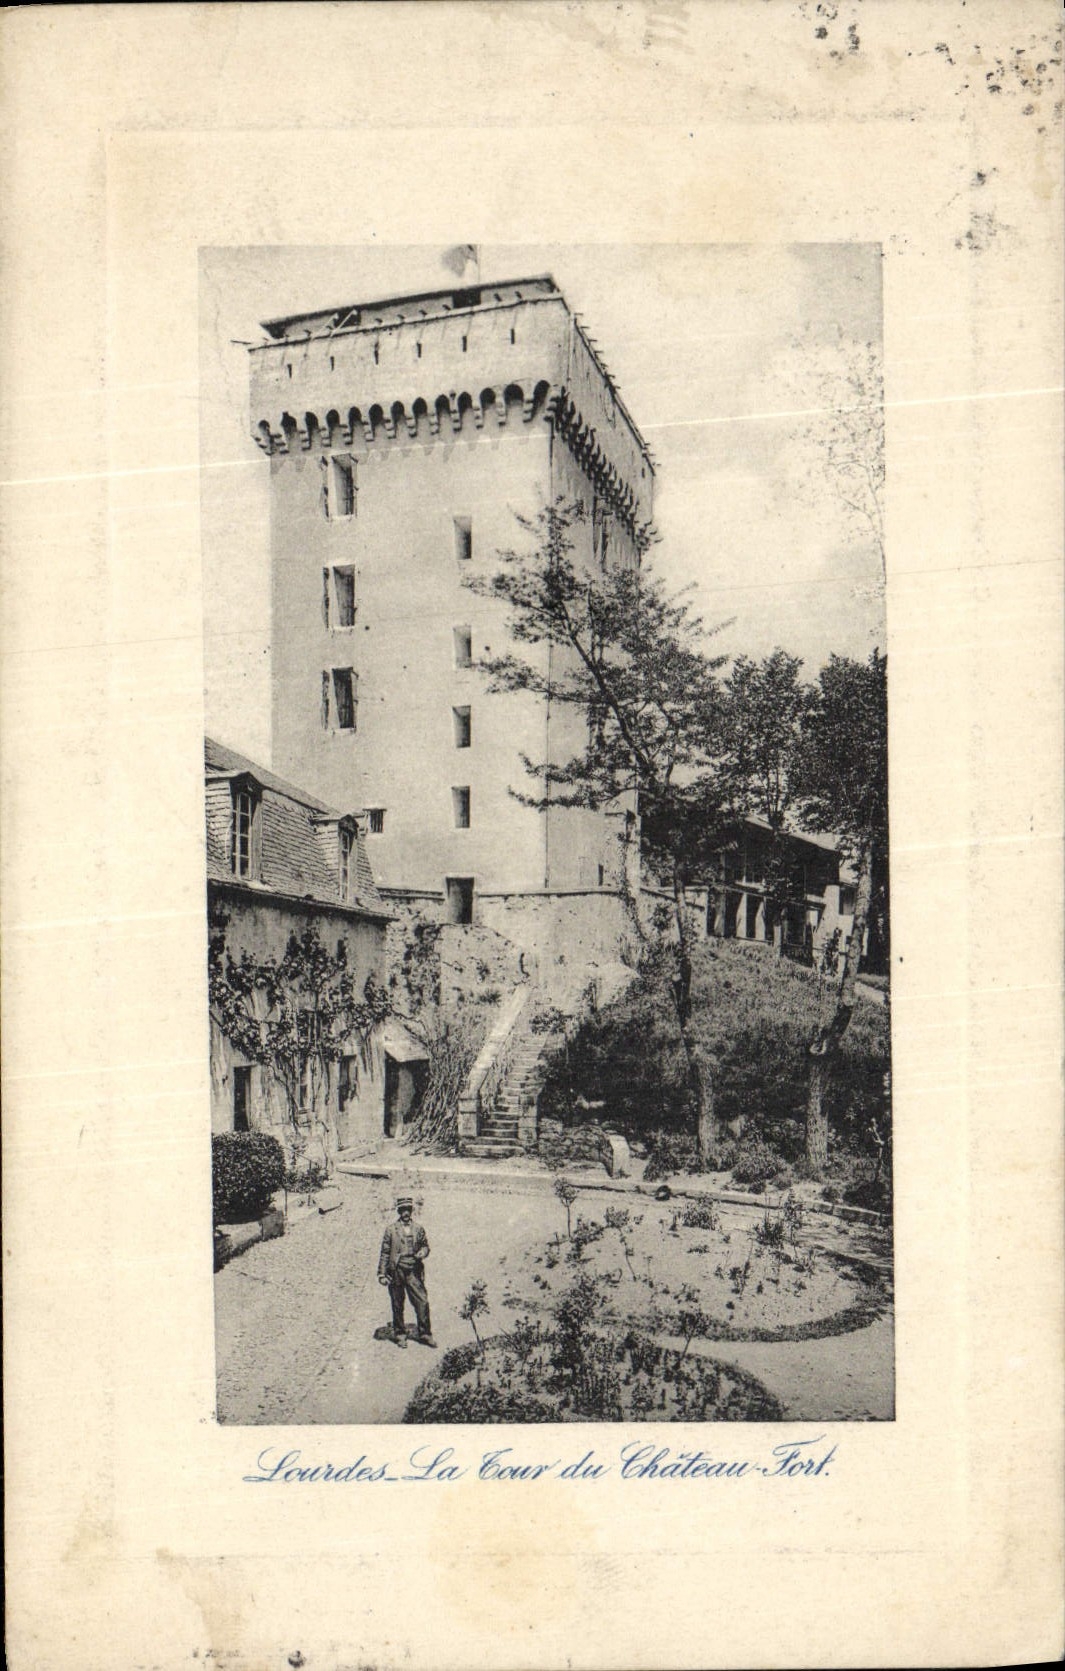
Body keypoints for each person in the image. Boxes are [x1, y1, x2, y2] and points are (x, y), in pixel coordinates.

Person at [377, 1195, 436, 1349]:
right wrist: (382, 1274)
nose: (406, 1213)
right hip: (396, 1270)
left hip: (413, 1270)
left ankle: (425, 1333)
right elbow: (385, 1252)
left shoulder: (418, 1229)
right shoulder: (391, 1230)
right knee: (397, 1303)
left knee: (422, 1302)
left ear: (411, 1211)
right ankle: (400, 1334)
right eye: (403, 1210)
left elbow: (425, 1246)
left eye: (408, 1210)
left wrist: (423, 1252)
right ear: (399, 1211)